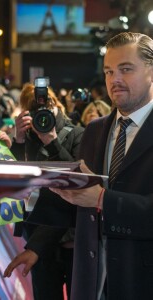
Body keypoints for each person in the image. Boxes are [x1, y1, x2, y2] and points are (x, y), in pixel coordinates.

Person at [50, 32, 153, 299]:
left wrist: (102, 199)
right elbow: (77, 208)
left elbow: (98, 199)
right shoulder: (94, 130)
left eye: (125, 69)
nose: (114, 79)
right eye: (108, 71)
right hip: (91, 282)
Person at [4, 83, 84, 299]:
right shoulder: (29, 137)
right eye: (34, 111)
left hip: (70, 237)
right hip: (37, 232)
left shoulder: (78, 133)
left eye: (45, 109)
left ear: (55, 105)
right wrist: (18, 140)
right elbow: (16, 177)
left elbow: (77, 181)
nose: (41, 116)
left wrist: (51, 140)